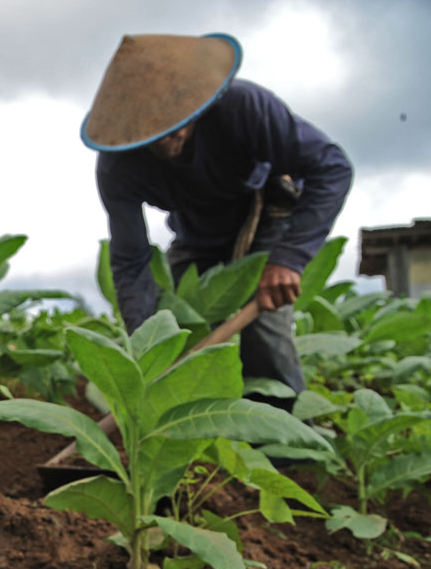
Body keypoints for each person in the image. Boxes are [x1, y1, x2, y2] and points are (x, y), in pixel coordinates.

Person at [80, 33, 352, 409]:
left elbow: (331, 169)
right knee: (174, 325)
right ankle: (186, 435)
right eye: (153, 133)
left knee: (263, 332)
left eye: (177, 121)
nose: (168, 138)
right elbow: (130, 260)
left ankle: (285, 449)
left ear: (198, 103)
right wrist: (147, 349)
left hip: (264, 213)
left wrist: (288, 259)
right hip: (195, 230)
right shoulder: (118, 165)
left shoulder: (244, 108)